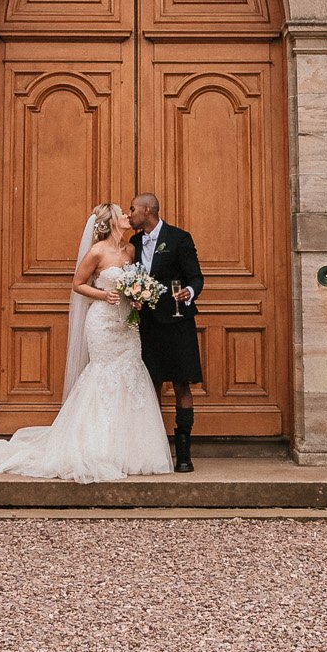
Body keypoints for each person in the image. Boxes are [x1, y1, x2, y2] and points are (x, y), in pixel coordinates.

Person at [0, 202, 173, 482]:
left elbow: (133, 282)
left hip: (127, 324)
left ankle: (132, 451)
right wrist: (102, 295)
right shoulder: (97, 252)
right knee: (103, 374)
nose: (126, 216)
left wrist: (136, 297)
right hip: (102, 323)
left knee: (131, 371)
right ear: (111, 222)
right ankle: (99, 448)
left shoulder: (131, 250)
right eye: (122, 213)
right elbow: (78, 283)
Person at [125, 192, 204, 473]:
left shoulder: (179, 238)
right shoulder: (134, 242)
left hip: (178, 321)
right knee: (152, 386)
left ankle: (184, 455)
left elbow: (196, 276)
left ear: (148, 210)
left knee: (182, 384)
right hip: (148, 325)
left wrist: (190, 292)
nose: (129, 213)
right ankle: (155, 453)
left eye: (133, 209)